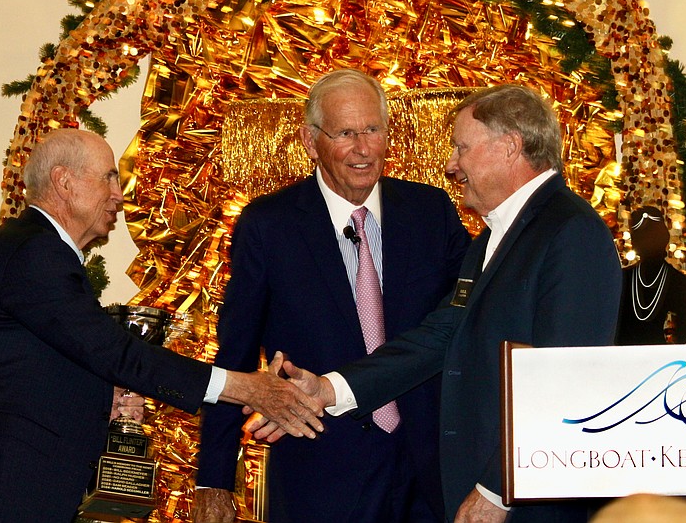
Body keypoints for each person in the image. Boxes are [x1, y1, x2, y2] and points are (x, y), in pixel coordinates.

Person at [252, 84, 624, 522]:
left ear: (509, 147)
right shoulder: (494, 237)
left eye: (461, 148)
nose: (451, 166)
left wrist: (498, 489)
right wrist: (330, 389)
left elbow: (568, 381)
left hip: (525, 501)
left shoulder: (570, 232)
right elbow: (441, 334)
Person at [0, 129, 324, 523]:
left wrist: (105, 396)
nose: (119, 195)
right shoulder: (35, 253)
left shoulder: (30, 249)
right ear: (64, 182)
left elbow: (31, 368)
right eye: (108, 177)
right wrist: (243, 387)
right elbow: (113, 351)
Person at [193, 69, 471, 523]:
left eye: (373, 130)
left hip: (429, 472)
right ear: (310, 140)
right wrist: (215, 479)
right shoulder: (268, 226)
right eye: (345, 133)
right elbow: (235, 354)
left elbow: (465, 320)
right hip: (320, 477)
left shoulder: (430, 212)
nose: (363, 149)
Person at [615, 206, 686, 345]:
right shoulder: (678, 282)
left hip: (633, 358)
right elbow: (682, 335)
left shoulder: (622, 277)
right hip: (644, 358)